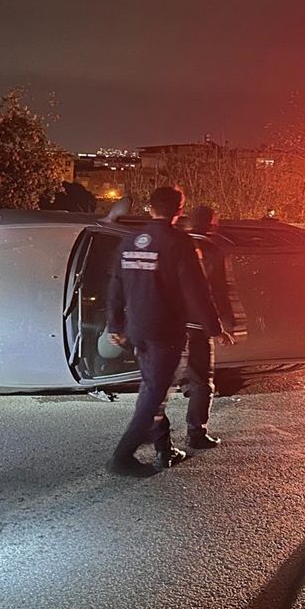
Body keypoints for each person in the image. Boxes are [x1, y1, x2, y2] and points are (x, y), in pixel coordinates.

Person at [106, 187, 235, 476]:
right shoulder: (179, 243)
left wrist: (115, 325)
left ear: (150, 207)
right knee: (153, 395)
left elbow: (115, 284)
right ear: (179, 210)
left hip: (136, 330)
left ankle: (164, 449)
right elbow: (197, 292)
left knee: (152, 390)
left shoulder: (129, 240)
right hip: (164, 332)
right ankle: (123, 456)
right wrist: (214, 328)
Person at [182, 205, 246, 448]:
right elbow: (216, 291)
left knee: (159, 380)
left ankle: (152, 430)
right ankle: (196, 433)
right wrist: (222, 326)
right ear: (212, 224)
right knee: (201, 380)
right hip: (198, 325)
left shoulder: (175, 245)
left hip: (169, 324)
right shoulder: (212, 250)